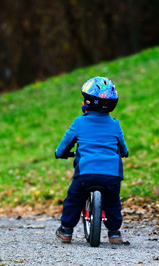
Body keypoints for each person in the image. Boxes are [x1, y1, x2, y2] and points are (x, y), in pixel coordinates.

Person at [54, 76, 130, 244]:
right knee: (113, 203)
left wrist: (60, 154)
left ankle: (66, 231)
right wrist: (124, 153)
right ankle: (114, 233)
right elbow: (123, 148)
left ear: (87, 102)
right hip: (112, 175)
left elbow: (64, 145)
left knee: (73, 200)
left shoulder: (79, 122)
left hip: (85, 174)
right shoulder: (115, 124)